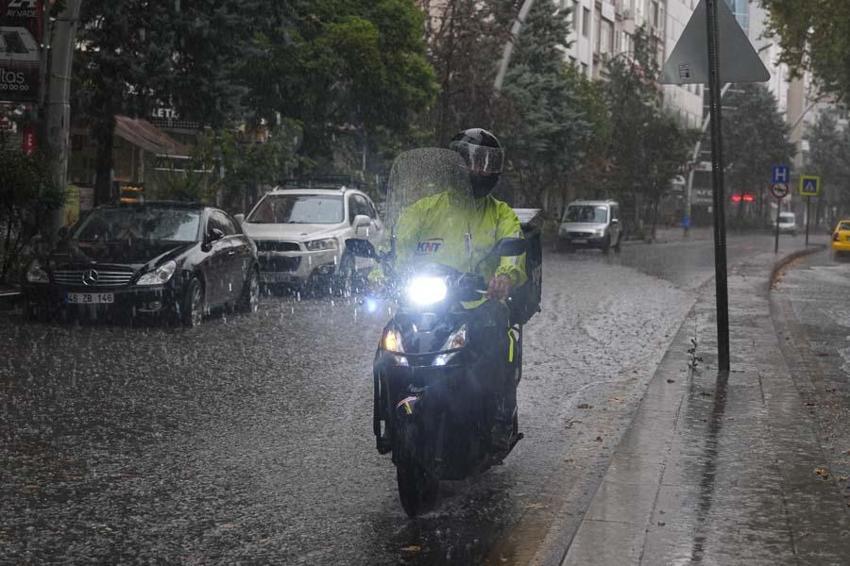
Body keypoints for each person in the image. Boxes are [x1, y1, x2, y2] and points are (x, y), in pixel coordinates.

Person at [376, 128, 527, 452]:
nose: (480, 171)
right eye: (473, 162)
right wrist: (380, 272)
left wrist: (504, 277)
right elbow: (395, 246)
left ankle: (500, 416)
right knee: (390, 344)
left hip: (479, 305)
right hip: (426, 305)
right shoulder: (423, 210)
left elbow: (513, 250)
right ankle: (388, 414)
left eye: (488, 164)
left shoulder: (501, 214)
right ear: (454, 166)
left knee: (500, 340)